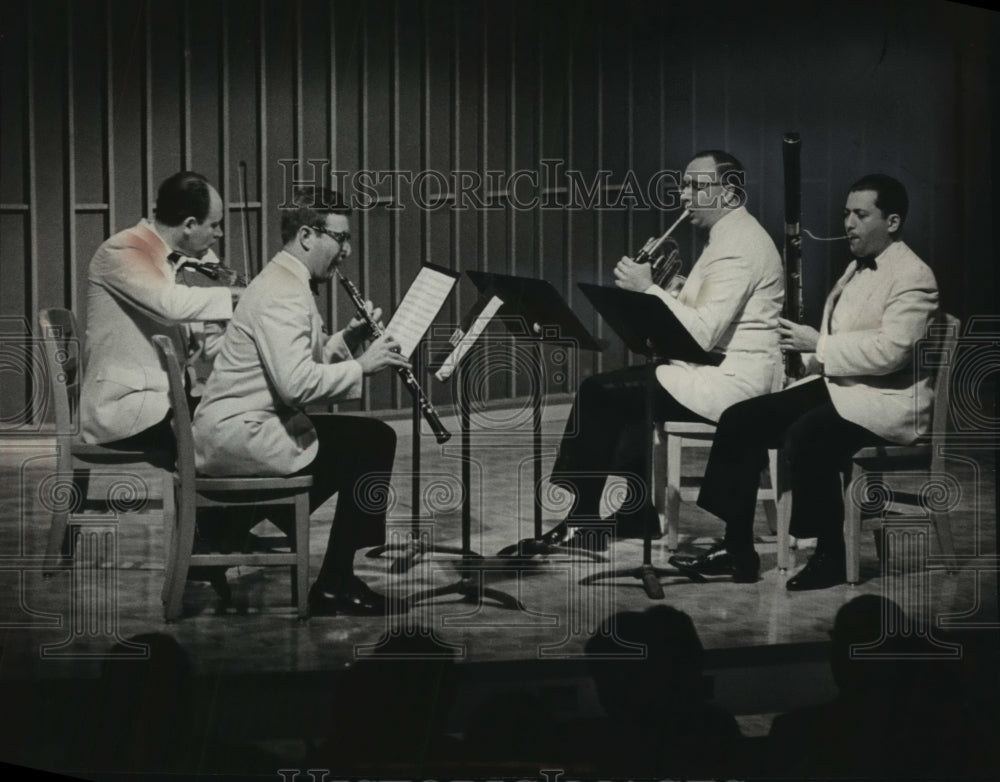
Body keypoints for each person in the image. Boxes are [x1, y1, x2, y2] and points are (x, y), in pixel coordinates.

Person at [672, 174, 939, 588]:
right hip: (843, 387)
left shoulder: (914, 276)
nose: (848, 223)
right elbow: (848, 337)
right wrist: (807, 354)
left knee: (807, 434)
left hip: (886, 402)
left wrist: (820, 344)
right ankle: (738, 549)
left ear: (892, 222)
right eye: (846, 213)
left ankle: (829, 554)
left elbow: (893, 353)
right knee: (742, 418)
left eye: (860, 214)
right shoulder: (853, 270)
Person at [543, 150, 784, 549]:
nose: (685, 196)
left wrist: (649, 290)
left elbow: (704, 333)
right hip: (715, 368)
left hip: (732, 382)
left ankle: (583, 519)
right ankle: (634, 515)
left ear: (729, 192)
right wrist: (671, 289)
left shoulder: (739, 244)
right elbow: (710, 313)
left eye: (697, 186)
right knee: (631, 395)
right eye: (684, 186)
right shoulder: (730, 235)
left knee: (599, 392)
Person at [191, 186, 410, 615]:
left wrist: (349, 340)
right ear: (308, 235)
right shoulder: (285, 292)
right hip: (243, 435)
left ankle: (227, 528)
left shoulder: (284, 279)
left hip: (249, 425)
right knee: (372, 442)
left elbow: (292, 363)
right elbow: (295, 385)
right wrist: (364, 366)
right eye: (340, 238)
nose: (346, 250)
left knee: (361, 441)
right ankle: (335, 582)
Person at [80, 171, 235, 452]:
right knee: (233, 439)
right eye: (214, 225)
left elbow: (207, 347)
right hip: (128, 408)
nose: (219, 234)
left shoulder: (179, 262)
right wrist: (240, 297)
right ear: (189, 225)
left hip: (170, 401)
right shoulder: (123, 249)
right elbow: (170, 305)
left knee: (244, 417)